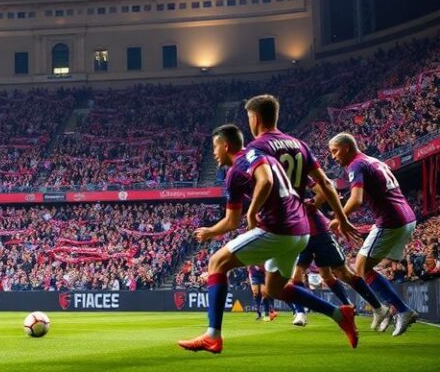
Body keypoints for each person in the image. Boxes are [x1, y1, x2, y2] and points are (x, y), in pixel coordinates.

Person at [178, 124, 358, 354]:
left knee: (216, 263)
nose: (213, 153)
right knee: (275, 289)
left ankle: (213, 335)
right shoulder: (263, 157)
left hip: (278, 230)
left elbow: (265, 183)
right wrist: (210, 231)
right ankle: (339, 313)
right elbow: (232, 221)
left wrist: (252, 211)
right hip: (300, 231)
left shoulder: (239, 168)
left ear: (225, 146)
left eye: (215, 147)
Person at [244, 95, 389, 330]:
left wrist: (315, 204)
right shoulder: (298, 148)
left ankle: (378, 307)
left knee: (341, 272)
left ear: (255, 118)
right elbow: (324, 184)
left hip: (311, 227)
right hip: (297, 228)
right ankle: (303, 313)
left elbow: (323, 186)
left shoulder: (261, 152)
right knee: (297, 276)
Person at [328, 132, 419, 336]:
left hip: (391, 220)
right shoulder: (373, 160)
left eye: (334, 151)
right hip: (407, 217)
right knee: (368, 266)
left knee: (361, 266)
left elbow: (357, 199)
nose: (333, 156)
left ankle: (400, 310)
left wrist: (339, 219)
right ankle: (388, 309)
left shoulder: (356, 165)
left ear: (346, 148)